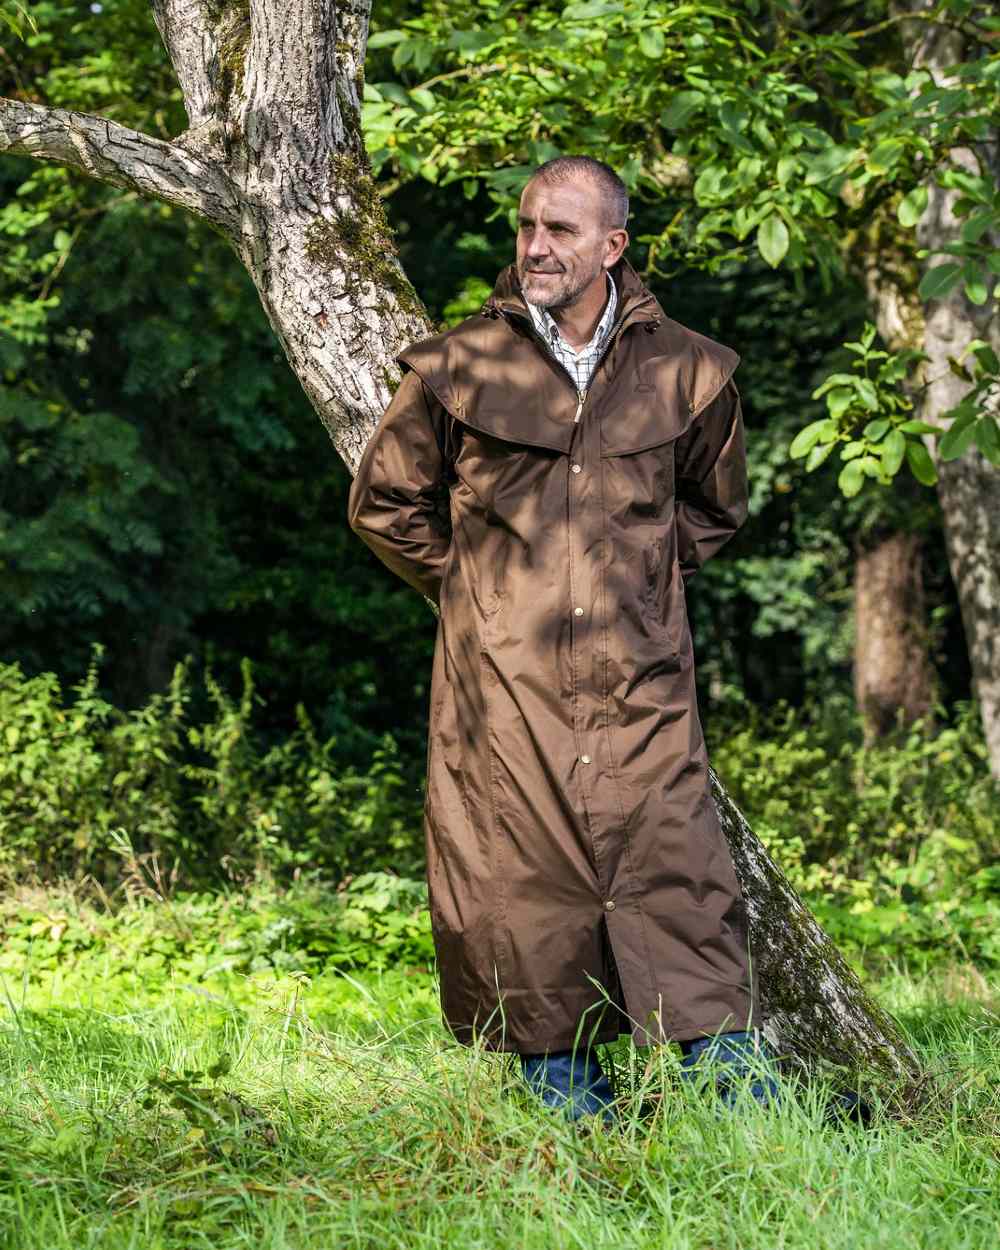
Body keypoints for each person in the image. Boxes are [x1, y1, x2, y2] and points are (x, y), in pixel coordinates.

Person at [348, 156, 777, 1121]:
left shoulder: (689, 370)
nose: (537, 246)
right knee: (524, 897)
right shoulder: (461, 365)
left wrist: (641, 588)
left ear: (613, 246)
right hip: (506, 696)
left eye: (562, 231)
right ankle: (572, 1136)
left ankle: (751, 1126)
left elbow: (714, 507)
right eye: (528, 226)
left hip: (643, 687)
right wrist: (480, 599)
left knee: (679, 876)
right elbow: (386, 504)